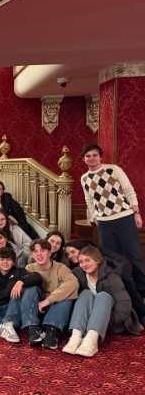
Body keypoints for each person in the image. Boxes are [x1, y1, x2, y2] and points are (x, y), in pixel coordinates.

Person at [80, 143, 145, 297]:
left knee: (133, 255)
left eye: (95, 155)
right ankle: (121, 291)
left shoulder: (113, 169)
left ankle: (143, 292)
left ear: (100, 157)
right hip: (104, 223)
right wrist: (95, 218)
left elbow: (129, 191)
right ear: (84, 159)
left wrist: (137, 213)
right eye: (88, 156)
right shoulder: (84, 178)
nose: (92, 158)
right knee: (111, 259)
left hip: (124, 218)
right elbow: (89, 200)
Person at [62, 247, 140, 357]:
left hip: (113, 322)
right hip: (88, 322)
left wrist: (103, 319)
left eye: (88, 260)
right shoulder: (78, 274)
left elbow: (124, 306)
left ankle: (91, 341)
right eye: (81, 262)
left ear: (97, 260)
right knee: (85, 293)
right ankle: (76, 336)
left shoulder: (112, 277)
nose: (84, 264)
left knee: (103, 296)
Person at [65, 239, 145, 327]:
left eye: (73, 252)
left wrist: (113, 276)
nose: (70, 256)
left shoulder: (100, 254)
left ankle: (141, 316)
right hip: (92, 297)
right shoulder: (75, 267)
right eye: (67, 254)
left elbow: (125, 263)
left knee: (125, 288)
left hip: (113, 279)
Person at [21, 239, 79, 349]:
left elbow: (74, 283)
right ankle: (33, 328)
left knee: (66, 289)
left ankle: (52, 331)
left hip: (55, 309)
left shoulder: (61, 268)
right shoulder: (30, 268)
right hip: (36, 309)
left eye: (42, 250)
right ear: (32, 254)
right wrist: (20, 282)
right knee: (29, 287)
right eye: (35, 251)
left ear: (49, 253)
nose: (39, 254)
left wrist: (48, 300)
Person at [0, 246, 43, 343]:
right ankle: (7, 325)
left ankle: (10, 324)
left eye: (9, 259)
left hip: (12, 307)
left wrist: (21, 282)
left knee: (31, 288)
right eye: (2, 259)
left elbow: (37, 277)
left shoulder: (19, 272)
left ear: (14, 262)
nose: (5, 262)